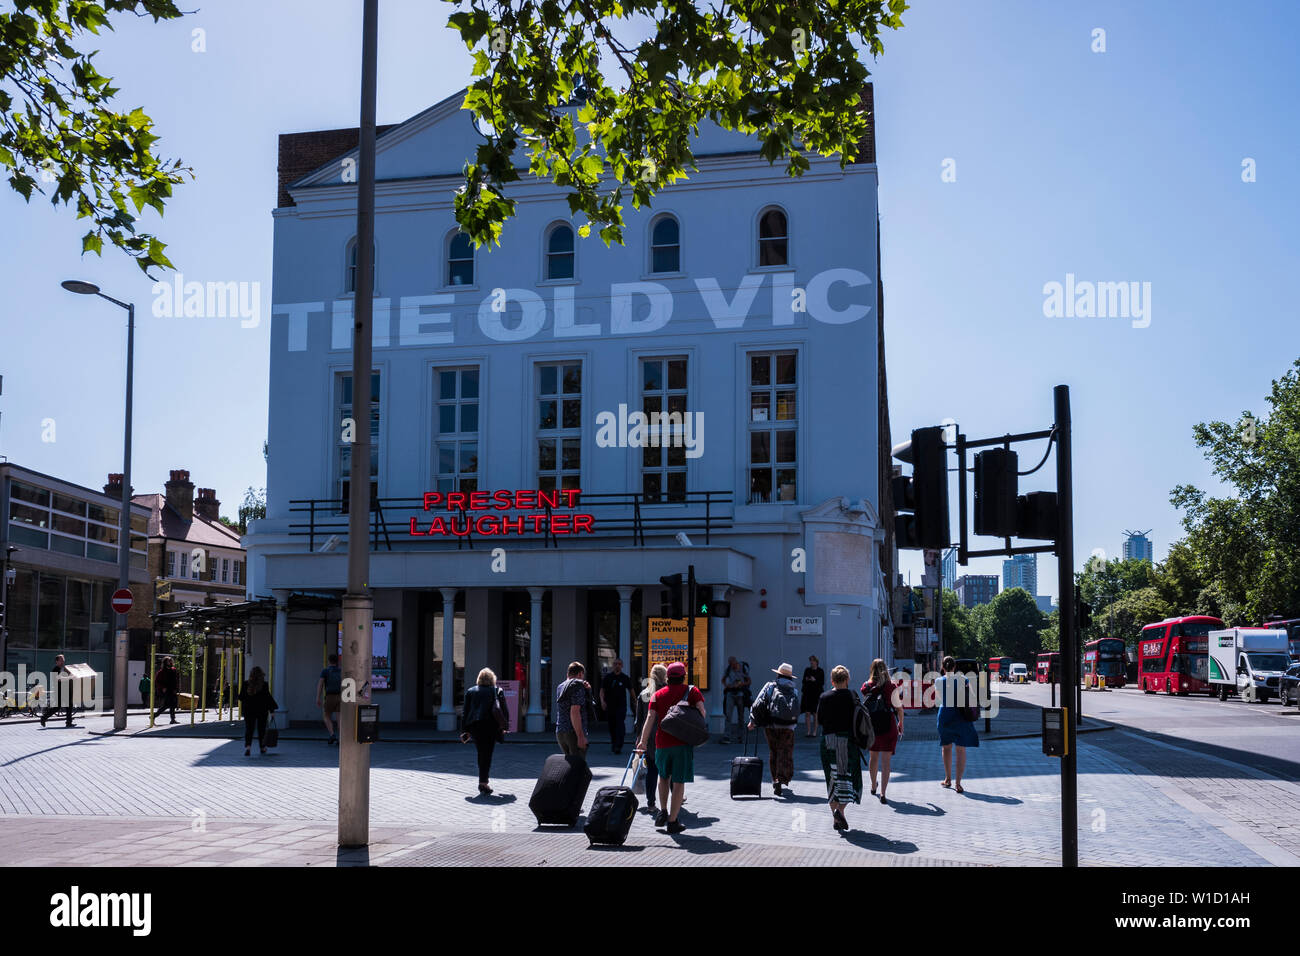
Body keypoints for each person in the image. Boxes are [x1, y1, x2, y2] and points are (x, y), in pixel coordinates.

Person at [635, 661, 705, 834]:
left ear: (668, 678)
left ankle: (663, 810)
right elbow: (702, 713)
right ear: (683, 677)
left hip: (661, 743)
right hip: (682, 743)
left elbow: (650, 718)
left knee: (663, 776)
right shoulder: (692, 691)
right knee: (679, 781)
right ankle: (673, 821)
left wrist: (643, 742)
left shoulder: (657, 694)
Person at [816, 665, 862, 831]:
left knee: (832, 779)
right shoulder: (852, 696)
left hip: (827, 741)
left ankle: (836, 819)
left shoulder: (824, 696)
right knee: (848, 779)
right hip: (846, 741)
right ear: (847, 679)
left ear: (832, 680)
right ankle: (840, 811)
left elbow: (820, 719)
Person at [749, 662, 800, 795]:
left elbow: (758, 703)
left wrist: (752, 721)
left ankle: (775, 779)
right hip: (788, 727)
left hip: (771, 725)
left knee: (774, 751)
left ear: (778, 674)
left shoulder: (770, 686)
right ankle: (782, 778)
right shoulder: (794, 690)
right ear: (790, 677)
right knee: (785, 752)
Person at [861, 658, 904, 804]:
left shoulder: (866, 686)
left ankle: (873, 785)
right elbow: (899, 708)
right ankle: (883, 793)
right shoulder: (891, 687)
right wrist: (901, 723)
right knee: (886, 762)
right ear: (885, 669)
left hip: (872, 726)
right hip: (888, 725)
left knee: (873, 758)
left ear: (871, 669)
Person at [462, 667, 508, 794]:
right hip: (491, 727)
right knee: (487, 754)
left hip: (476, 727)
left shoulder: (471, 691)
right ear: (492, 679)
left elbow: (465, 712)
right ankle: (483, 783)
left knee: (481, 753)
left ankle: (483, 781)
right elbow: (503, 710)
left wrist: (464, 730)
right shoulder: (497, 690)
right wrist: (505, 727)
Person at [936, 656, 979, 793]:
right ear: (955, 667)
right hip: (961, 716)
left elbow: (939, 699)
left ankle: (947, 779)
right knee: (961, 750)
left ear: (943, 667)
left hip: (945, 715)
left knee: (946, 748)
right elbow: (972, 696)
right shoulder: (964, 680)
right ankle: (958, 783)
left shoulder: (938, 681)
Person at [634, 663, 668, 814]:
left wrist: (640, 739)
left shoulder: (644, 694)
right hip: (666, 736)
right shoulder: (667, 693)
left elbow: (639, 721)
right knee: (668, 770)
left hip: (648, 738)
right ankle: (671, 802)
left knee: (652, 770)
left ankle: (651, 803)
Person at [237, 666, 277, 756]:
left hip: (249, 711)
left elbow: (240, 697)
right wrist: (272, 710)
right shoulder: (264, 685)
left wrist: (248, 701)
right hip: (262, 711)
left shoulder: (245, 684)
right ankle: (262, 748)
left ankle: (248, 747)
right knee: (261, 730)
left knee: (249, 729)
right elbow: (268, 698)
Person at [555, 661, 592, 758]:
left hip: (560, 731)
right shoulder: (578, 686)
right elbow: (575, 712)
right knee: (578, 765)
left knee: (570, 766)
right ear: (580, 673)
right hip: (573, 732)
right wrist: (580, 736)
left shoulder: (560, 686)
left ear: (568, 673)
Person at [599, 658, 634, 754]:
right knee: (612, 726)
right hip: (610, 706)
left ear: (622, 666)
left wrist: (635, 701)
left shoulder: (625, 678)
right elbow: (602, 690)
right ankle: (614, 744)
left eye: (619, 664)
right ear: (613, 665)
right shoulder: (608, 677)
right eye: (615, 664)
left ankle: (619, 745)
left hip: (621, 706)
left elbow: (631, 690)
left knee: (620, 725)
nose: (617, 665)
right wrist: (602, 701)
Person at [720, 656, 751, 743]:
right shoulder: (729, 669)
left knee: (740, 716)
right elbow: (723, 679)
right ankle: (727, 736)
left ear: (736, 662)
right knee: (728, 715)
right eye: (730, 664)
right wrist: (728, 685)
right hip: (731, 693)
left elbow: (749, 681)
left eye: (733, 664)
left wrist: (742, 684)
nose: (732, 665)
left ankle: (740, 736)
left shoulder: (743, 668)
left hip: (740, 693)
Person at [39, 654, 73, 728]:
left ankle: (69, 722)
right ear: (57, 661)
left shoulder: (64, 669)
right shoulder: (55, 669)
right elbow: (59, 679)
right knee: (57, 707)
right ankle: (44, 718)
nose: (63, 661)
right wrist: (70, 677)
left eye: (63, 659)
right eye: (61, 660)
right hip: (59, 691)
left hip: (66, 690)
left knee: (69, 706)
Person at [317, 653, 343, 746]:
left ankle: (332, 734)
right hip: (340, 696)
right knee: (339, 718)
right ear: (338, 661)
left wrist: (318, 697)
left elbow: (320, 685)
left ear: (329, 661)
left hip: (329, 696)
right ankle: (341, 739)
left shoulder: (325, 671)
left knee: (326, 716)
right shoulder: (341, 671)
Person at [800, 656, 825, 737]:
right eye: (810, 661)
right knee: (807, 713)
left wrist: (815, 680)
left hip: (816, 694)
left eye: (813, 661)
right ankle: (808, 731)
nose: (811, 662)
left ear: (816, 662)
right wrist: (807, 679)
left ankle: (814, 732)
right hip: (808, 694)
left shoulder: (820, 671)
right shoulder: (807, 670)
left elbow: (822, 682)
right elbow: (803, 681)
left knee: (815, 713)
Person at [153, 656, 180, 724]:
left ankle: (172, 719)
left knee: (173, 705)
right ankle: (154, 715)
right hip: (167, 690)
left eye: (171, 660)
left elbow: (176, 680)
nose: (170, 662)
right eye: (168, 660)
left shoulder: (174, 669)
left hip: (173, 690)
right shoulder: (162, 671)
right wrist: (163, 688)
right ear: (165, 662)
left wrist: (177, 689)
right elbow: (157, 681)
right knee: (167, 705)